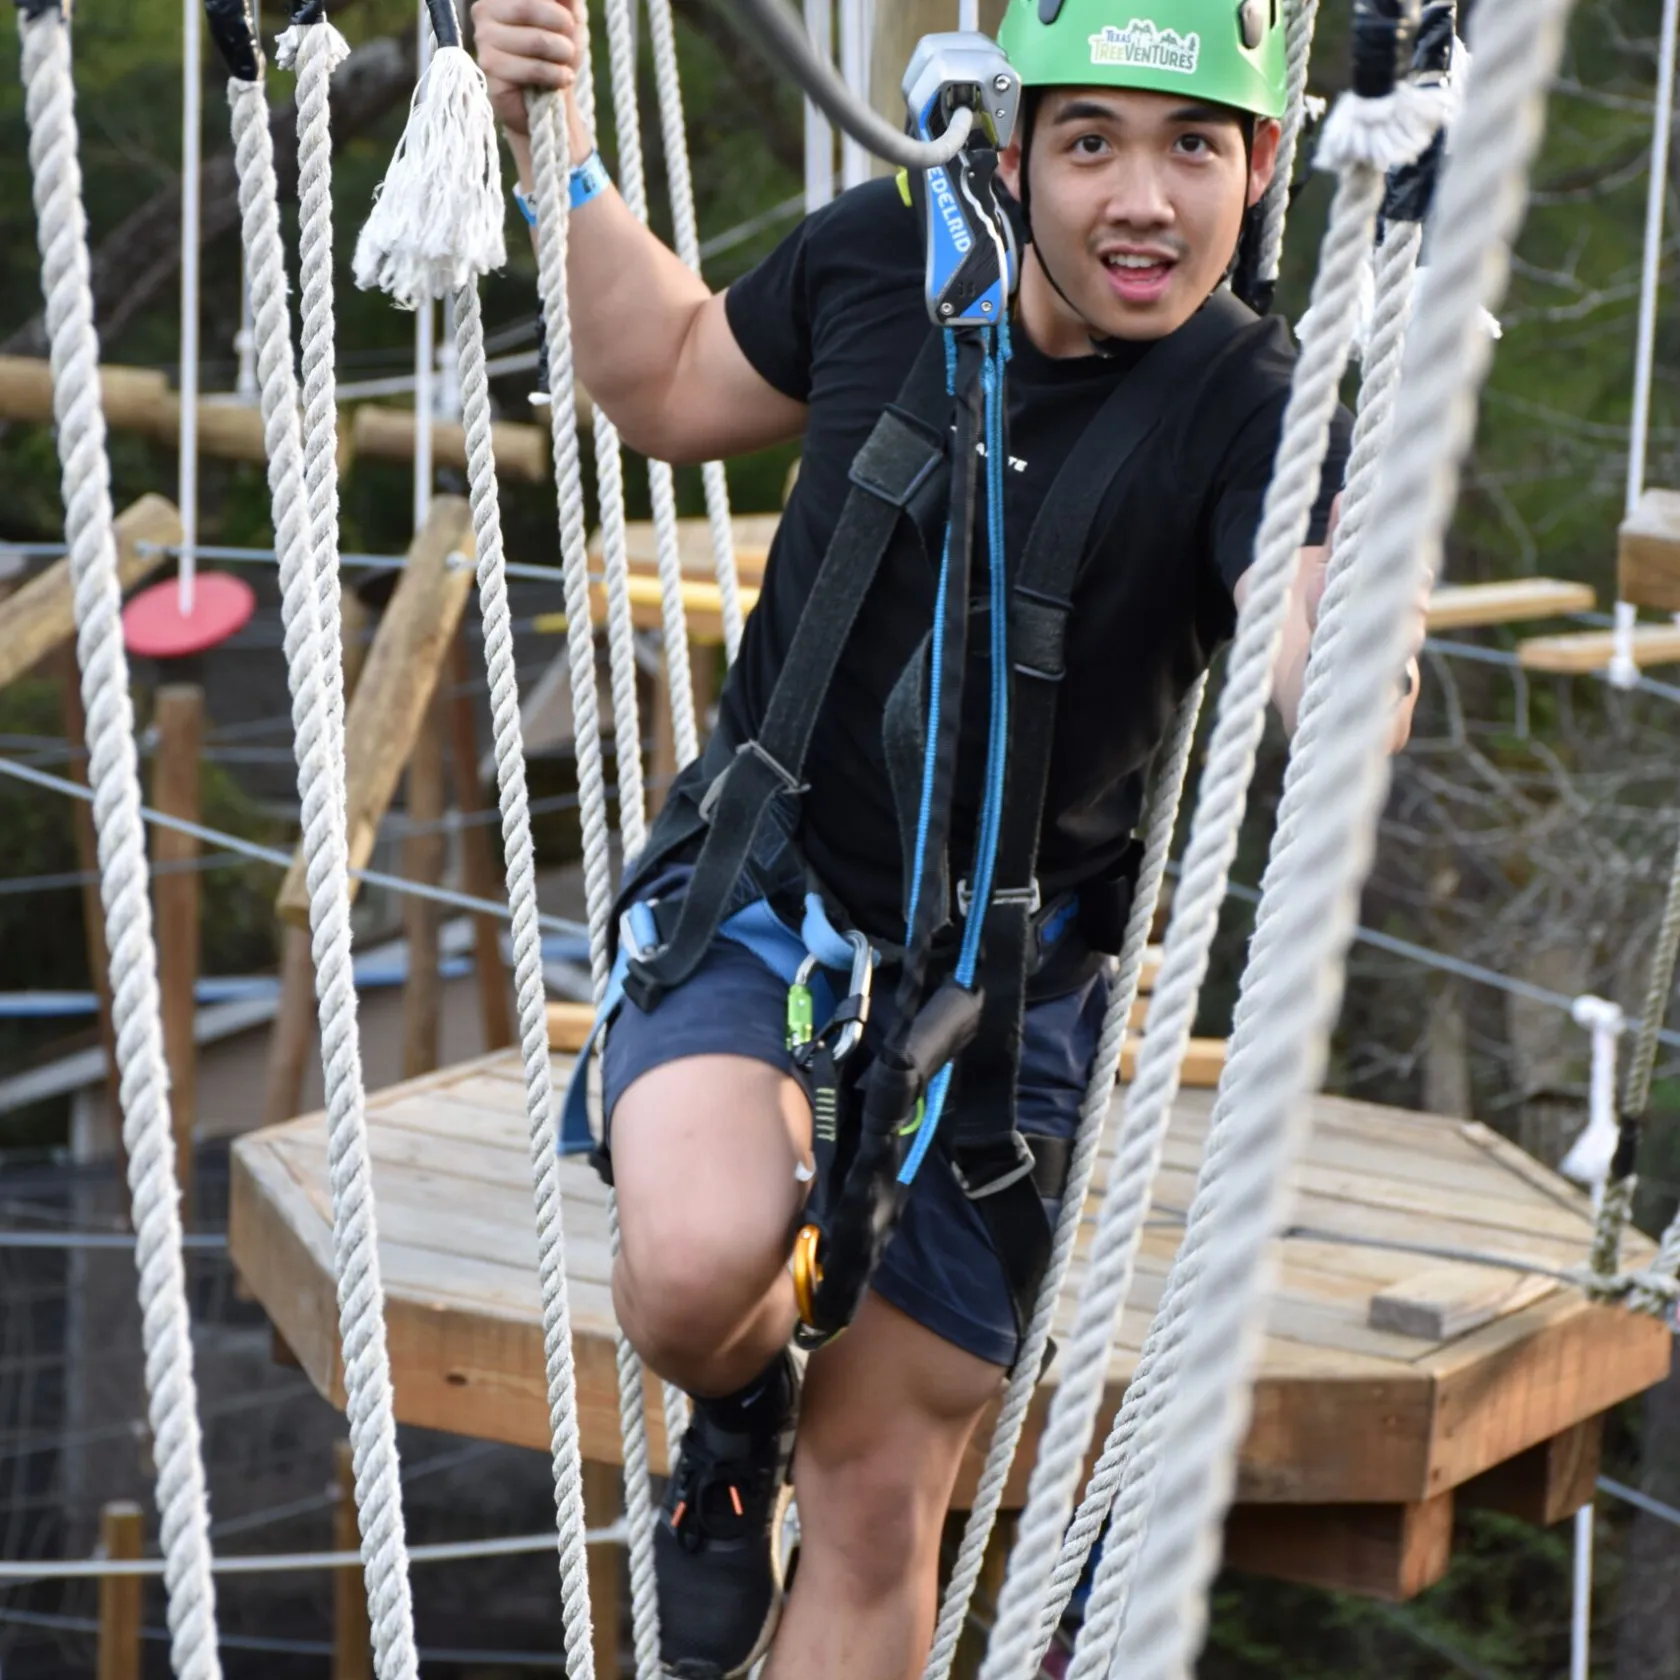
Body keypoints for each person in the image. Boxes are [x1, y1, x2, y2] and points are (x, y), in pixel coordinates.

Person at [472, 2, 1418, 1676]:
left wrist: (1355, 642)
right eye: (1090, 143)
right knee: (698, 1271)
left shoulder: (1253, 406)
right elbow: (674, 379)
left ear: (1261, 166)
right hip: (769, 905)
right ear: (1010, 150)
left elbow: (1323, 645)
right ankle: (736, 1412)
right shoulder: (884, 261)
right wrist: (552, 139)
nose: (1143, 199)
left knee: (879, 1501)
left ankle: (786, 1438)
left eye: (1193, 146)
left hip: (1001, 1008)